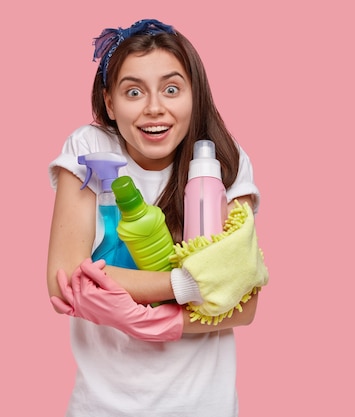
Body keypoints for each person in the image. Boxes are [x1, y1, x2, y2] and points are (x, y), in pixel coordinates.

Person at [47, 19, 265, 416]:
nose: (154, 108)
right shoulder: (90, 146)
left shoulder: (225, 160)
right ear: (110, 102)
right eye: (133, 91)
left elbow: (243, 302)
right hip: (103, 406)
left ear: (194, 94)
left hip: (204, 405)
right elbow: (65, 280)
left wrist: (148, 320)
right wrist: (186, 285)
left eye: (171, 89)